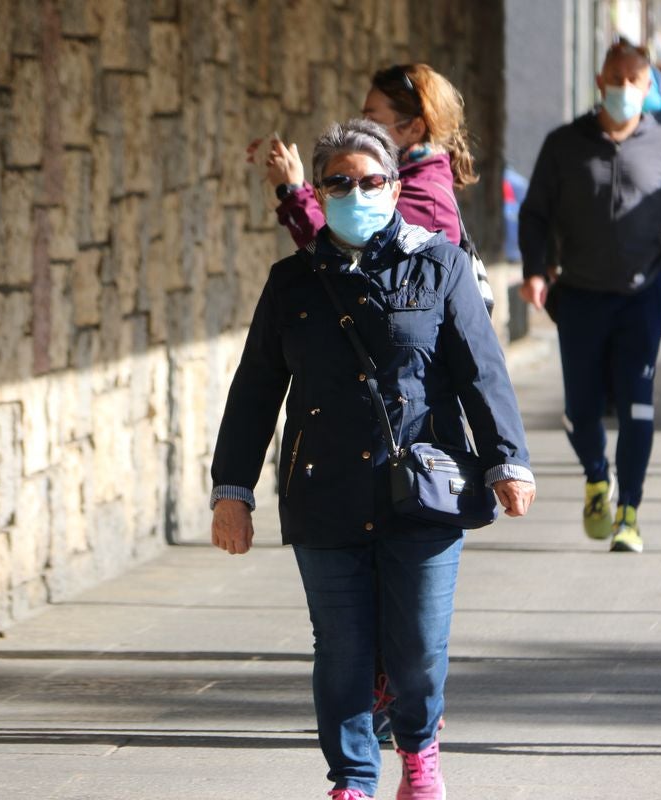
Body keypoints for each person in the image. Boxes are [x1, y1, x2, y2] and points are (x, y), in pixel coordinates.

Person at [211, 119, 535, 800]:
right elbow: (256, 388)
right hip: (323, 490)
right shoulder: (291, 283)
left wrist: (508, 460)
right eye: (339, 182)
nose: (356, 192)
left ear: (394, 185)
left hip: (424, 491)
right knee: (342, 649)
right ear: (319, 192)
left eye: (370, 181)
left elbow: (482, 371)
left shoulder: (439, 264)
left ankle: (419, 752)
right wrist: (231, 490)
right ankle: (353, 778)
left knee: (417, 646)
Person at [518, 38, 661, 554]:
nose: (621, 88)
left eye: (631, 81)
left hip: (642, 299)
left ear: (647, 88)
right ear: (599, 81)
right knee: (581, 408)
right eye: (613, 78)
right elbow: (534, 214)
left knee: (639, 407)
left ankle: (629, 512)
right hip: (579, 297)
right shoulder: (563, 144)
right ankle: (597, 475)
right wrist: (534, 270)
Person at [251, 63, 475, 250]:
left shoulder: (425, 200)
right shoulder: (412, 181)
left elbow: (346, 261)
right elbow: (345, 235)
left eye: (373, 121)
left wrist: (293, 193)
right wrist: (295, 184)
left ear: (415, 129)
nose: (363, 131)